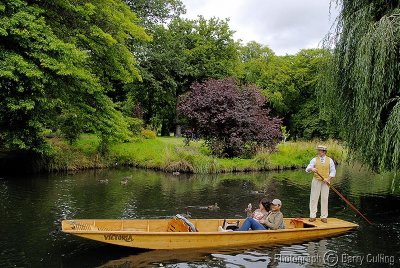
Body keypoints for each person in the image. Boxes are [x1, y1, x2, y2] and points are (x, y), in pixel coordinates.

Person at [305, 145, 336, 223]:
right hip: (316, 180)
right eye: (318, 150)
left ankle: (324, 217)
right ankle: (312, 216)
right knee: (313, 198)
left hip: (326, 181)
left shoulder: (330, 160)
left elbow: (333, 171)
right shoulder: (314, 159)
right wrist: (312, 168)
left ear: (324, 152)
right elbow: (307, 169)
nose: (318, 152)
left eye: (320, 150)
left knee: (325, 198)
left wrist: (328, 178)